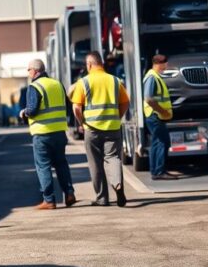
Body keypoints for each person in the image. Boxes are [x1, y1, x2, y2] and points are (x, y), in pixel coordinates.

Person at [71, 51, 131, 207]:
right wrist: (117, 117)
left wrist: (81, 122)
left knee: (95, 164)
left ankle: (102, 198)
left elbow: (76, 107)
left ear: (89, 64)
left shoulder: (84, 82)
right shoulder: (115, 81)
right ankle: (117, 184)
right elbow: (125, 102)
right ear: (102, 63)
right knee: (113, 158)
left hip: (92, 129)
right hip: (112, 127)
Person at [20, 58, 76, 210]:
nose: (28, 72)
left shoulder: (34, 87)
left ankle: (49, 200)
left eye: (29, 69)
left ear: (35, 71)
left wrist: (23, 113)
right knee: (61, 163)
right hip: (59, 132)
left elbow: (32, 109)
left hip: (42, 133)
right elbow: (68, 106)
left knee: (43, 166)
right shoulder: (57, 84)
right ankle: (69, 193)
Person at [143, 54, 176, 181]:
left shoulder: (154, 76)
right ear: (159, 64)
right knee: (162, 141)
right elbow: (149, 98)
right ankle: (159, 171)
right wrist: (162, 111)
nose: (166, 65)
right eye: (165, 63)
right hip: (155, 115)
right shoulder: (152, 77)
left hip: (155, 115)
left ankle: (156, 171)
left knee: (158, 142)